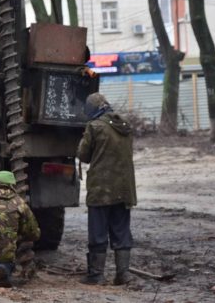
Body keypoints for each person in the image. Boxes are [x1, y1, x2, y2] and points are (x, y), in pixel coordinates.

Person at [77, 93, 137, 285]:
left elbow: (83, 155)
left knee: (98, 232)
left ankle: (96, 276)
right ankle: (123, 274)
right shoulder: (125, 125)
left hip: (101, 189)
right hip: (124, 188)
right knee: (121, 231)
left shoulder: (94, 127)